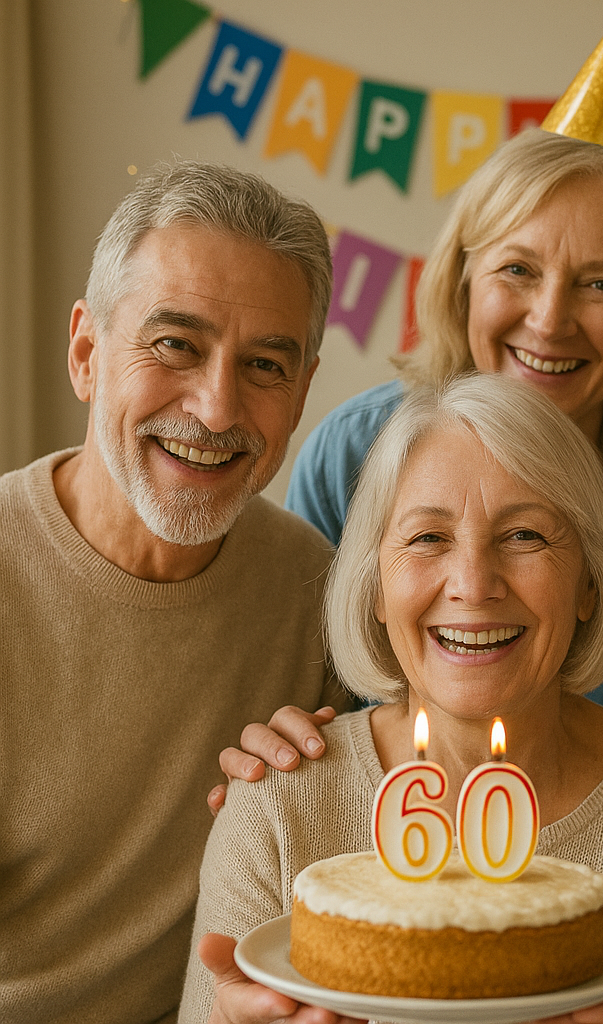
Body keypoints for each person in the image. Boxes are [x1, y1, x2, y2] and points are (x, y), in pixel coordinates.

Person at [180, 373, 603, 1024]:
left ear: (589, 584)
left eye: (526, 536)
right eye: (428, 537)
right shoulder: (276, 806)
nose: (474, 584)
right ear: (374, 587)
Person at [284, 0, 603, 718]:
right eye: (517, 270)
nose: (548, 321)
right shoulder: (349, 457)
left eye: (601, 284)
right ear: (461, 282)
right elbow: (306, 707)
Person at [0, 162, 345, 1024]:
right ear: (86, 354)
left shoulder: (321, 595)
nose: (218, 406)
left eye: (266, 364)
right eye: (175, 346)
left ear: (302, 392)